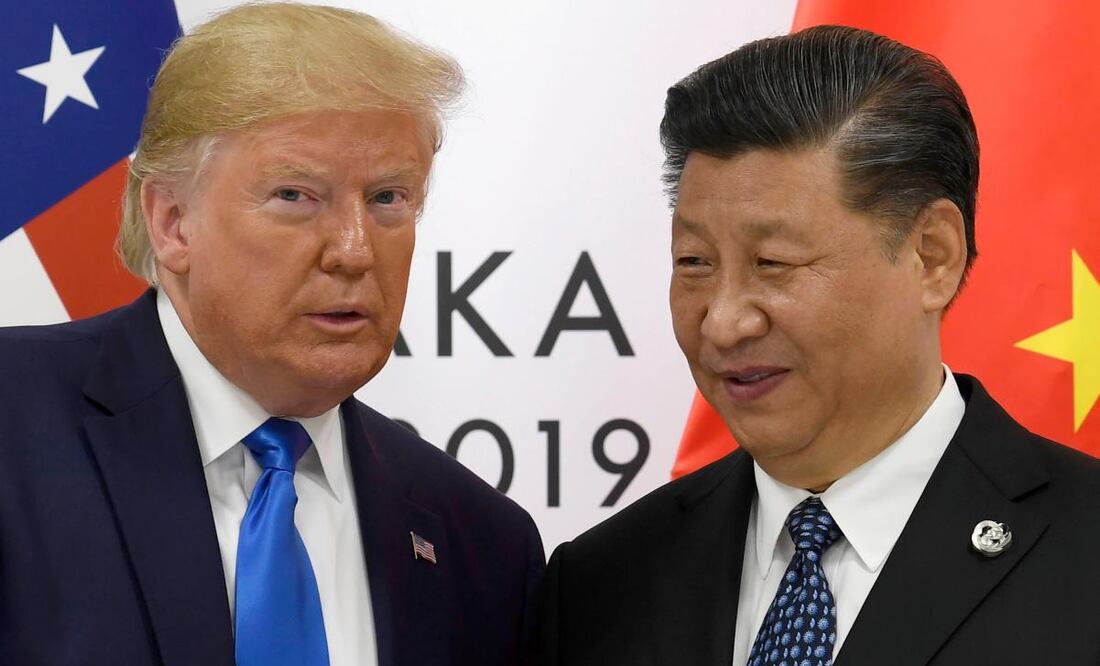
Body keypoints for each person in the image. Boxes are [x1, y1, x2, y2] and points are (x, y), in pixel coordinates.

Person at [538, 25, 1100, 666]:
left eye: (772, 262)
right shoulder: (600, 582)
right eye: (694, 261)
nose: (722, 323)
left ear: (932, 256)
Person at [0, 4, 543, 665]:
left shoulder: (481, 545)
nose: (354, 250)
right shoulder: (14, 427)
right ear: (173, 222)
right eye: (295, 195)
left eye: (388, 199)